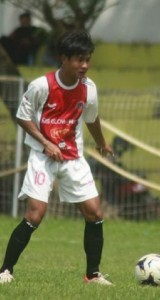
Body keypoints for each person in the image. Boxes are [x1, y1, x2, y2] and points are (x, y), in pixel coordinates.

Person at [0, 30, 114, 285]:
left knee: (95, 212)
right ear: (64, 58)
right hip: (43, 156)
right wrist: (45, 142)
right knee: (35, 215)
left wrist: (102, 143)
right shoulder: (42, 85)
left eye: (88, 59)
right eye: (79, 60)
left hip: (73, 158)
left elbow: (92, 118)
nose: (84, 65)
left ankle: (92, 275)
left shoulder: (89, 89)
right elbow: (22, 116)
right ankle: (5, 270)